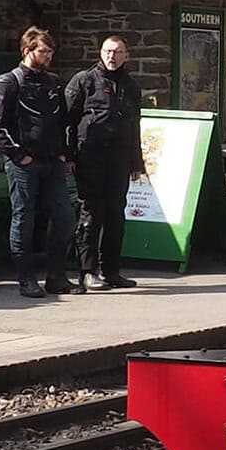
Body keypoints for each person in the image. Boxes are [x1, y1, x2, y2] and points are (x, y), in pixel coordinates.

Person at [0, 27, 77, 299]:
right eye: (43, 51)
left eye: (50, 51)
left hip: (52, 162)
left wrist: (64, 153)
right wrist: (19, 156)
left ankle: (56, 277)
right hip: (24, 164)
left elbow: (63, 122)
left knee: (64, 217)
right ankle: (26, 280)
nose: (48, 55)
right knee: (23, 218)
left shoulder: (53, 82)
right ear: (27, 51)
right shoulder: (8, 82)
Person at [65, 35, 146, 291]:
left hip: (119, 158)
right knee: (91, 213)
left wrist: (136, 162)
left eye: (118, 52)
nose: (112, 56)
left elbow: (135, 126)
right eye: (108, 51)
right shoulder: (84, 80)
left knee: (116, 215)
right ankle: (88, 271)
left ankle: (111, 271)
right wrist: (68, 156)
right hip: (90, 156)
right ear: (100, 53)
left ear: (127, 56)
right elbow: (67, 120)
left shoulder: (132, 86)